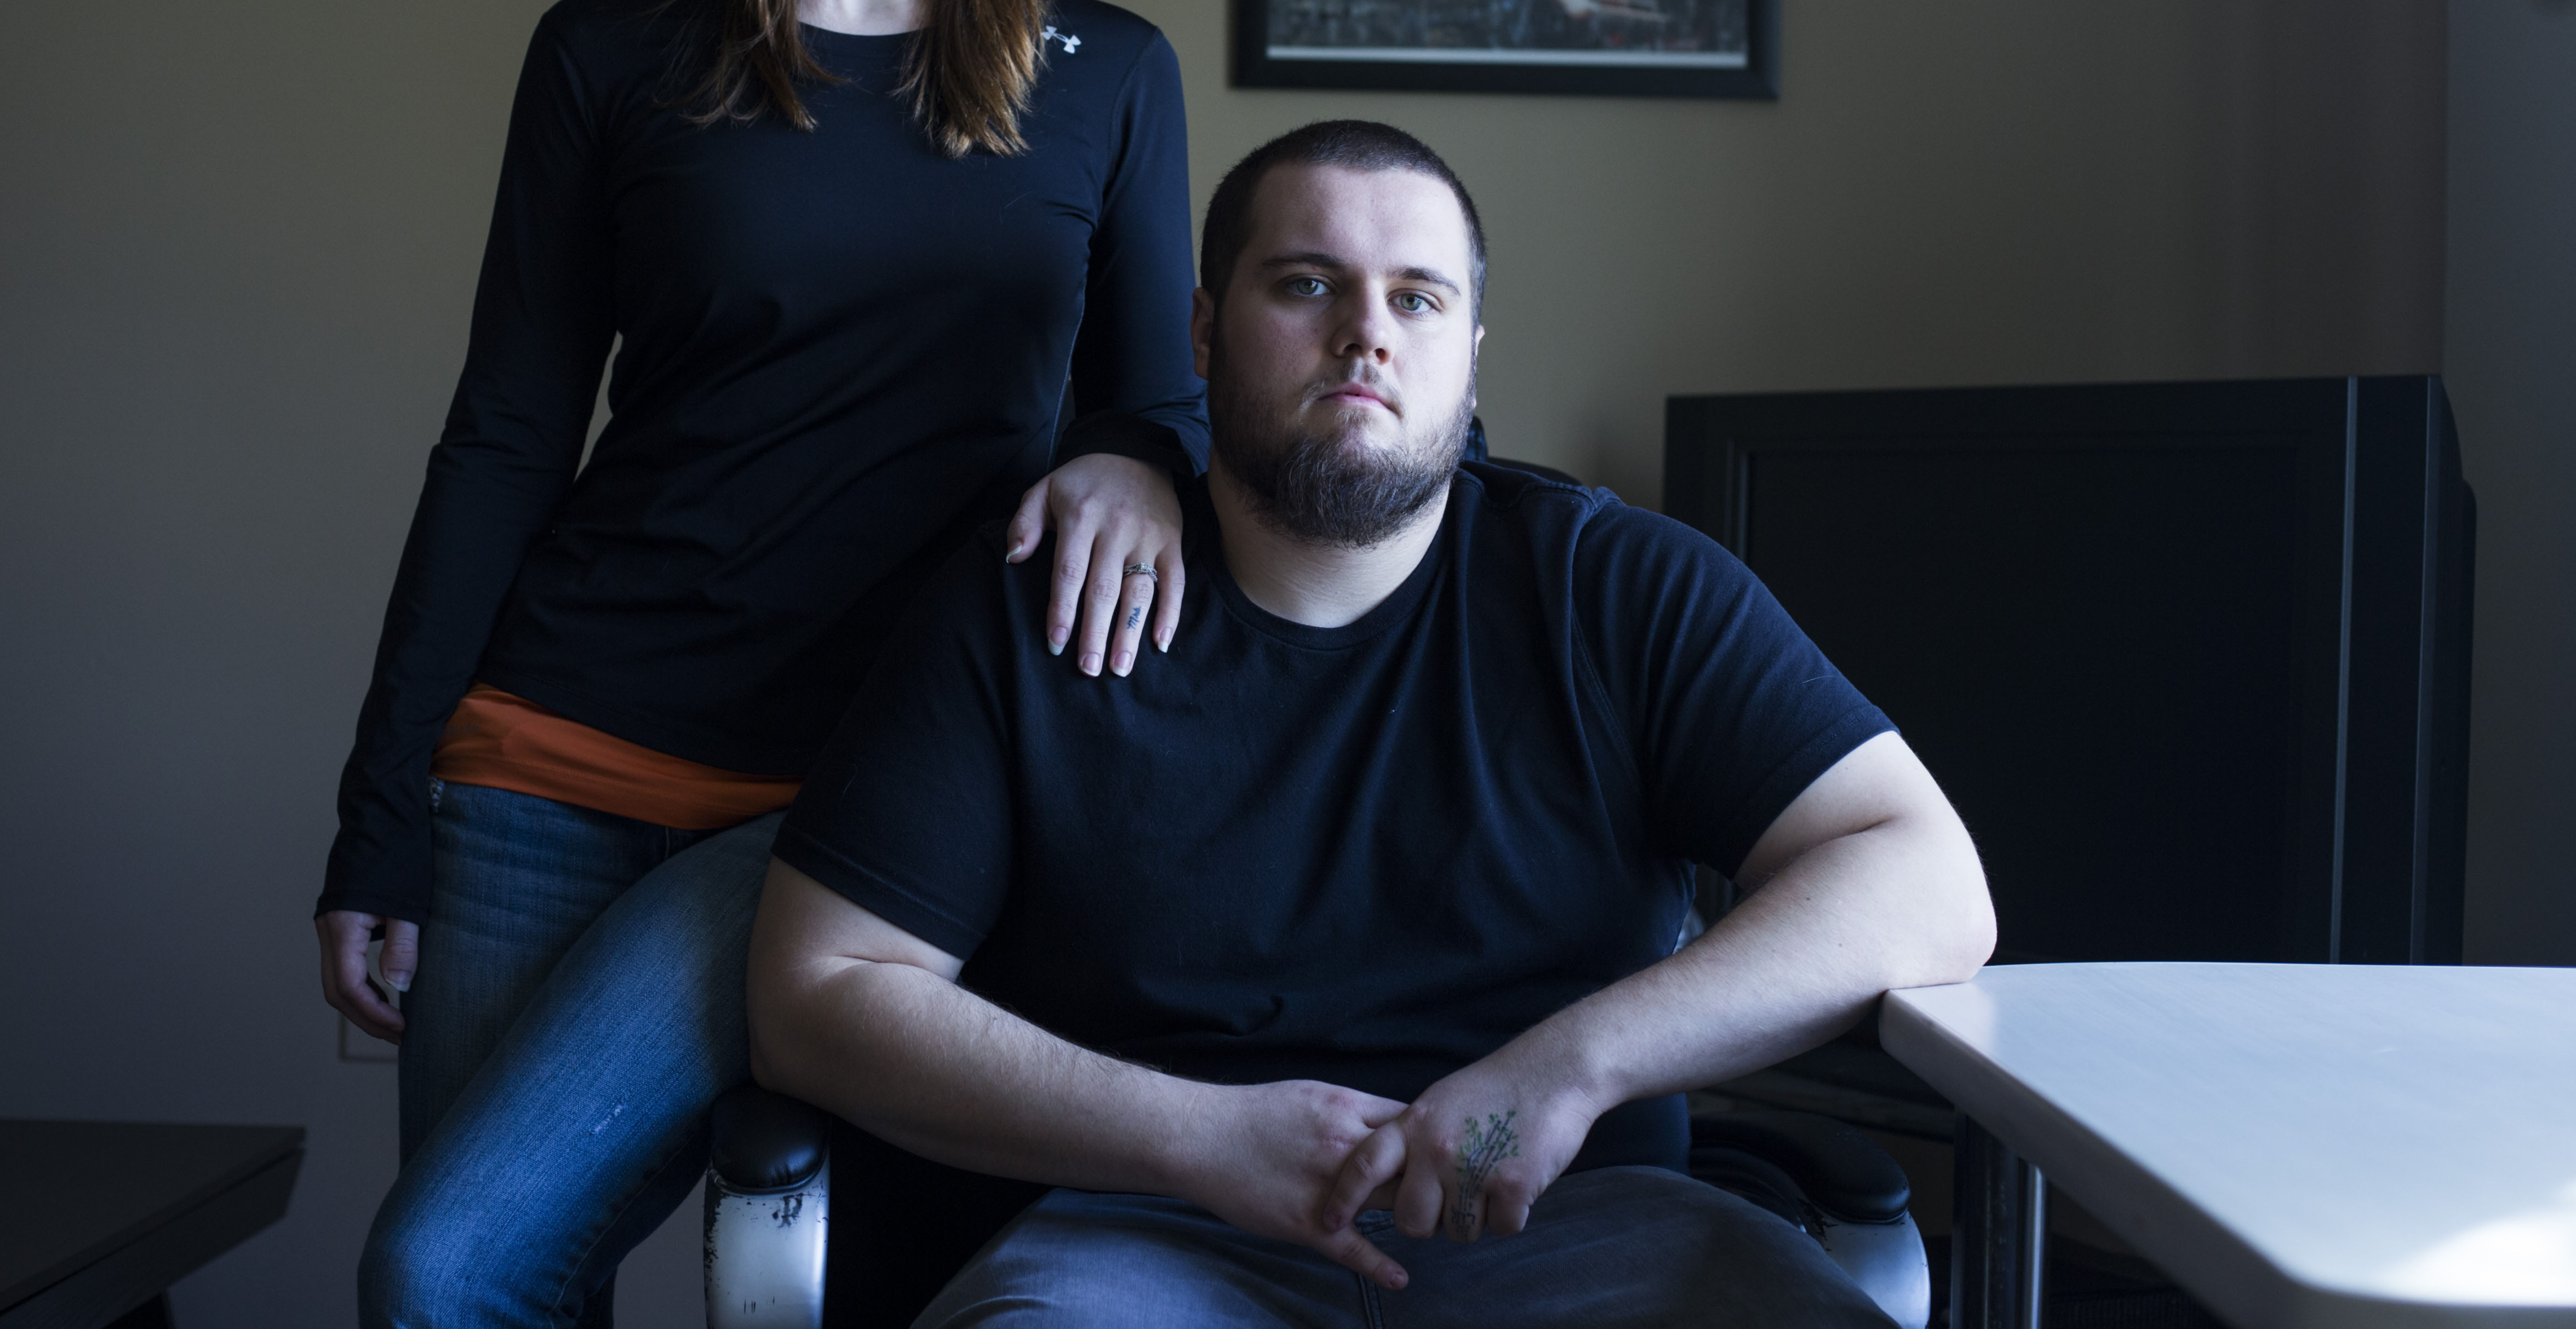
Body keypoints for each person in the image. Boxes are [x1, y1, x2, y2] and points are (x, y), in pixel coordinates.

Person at [324, 0, 1210, 1328]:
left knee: (483, 1262)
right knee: (468, 1285)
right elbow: (503, 436)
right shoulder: (610, 52)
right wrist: (380, 813)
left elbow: (1160, 401)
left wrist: (1131, 454)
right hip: (550, 758)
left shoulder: (1108, 74)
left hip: (872, 793)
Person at [749, 119, 1996, 1326]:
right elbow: (817, 990)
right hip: (1138, 1236)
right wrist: (1201, 1136)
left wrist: (1567, 1068)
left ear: (1471, 349)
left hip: (1586, 1230)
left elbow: (1927, 880)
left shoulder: (1620, 589)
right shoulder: (1033, 602)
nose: (1365, 337)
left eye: (1418, 298)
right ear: (1202, 329)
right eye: (1306, 284)